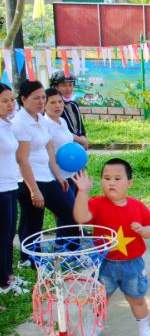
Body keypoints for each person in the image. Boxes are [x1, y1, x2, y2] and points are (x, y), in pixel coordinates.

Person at [71, 159, 150, 336]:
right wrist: (82, 193)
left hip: (132, 264)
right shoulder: (96, 204)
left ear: (129, 183)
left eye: (117, 178)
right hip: (105, 263)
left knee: (137, 299)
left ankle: (145, 329)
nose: (111, 182)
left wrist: (143, 230)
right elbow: (81, 217)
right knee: (100, 299)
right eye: (107, 178)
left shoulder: (138, 206)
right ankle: (95, 326)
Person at [13, 80, 76, 267]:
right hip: (29, 180)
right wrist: (34, 190)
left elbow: (49, 149)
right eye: (36, 98)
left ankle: (69, 251)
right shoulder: (20, 123)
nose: (41, 102)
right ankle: (29, 260)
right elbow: (23, 160)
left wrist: (58, 176)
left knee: (69, 211)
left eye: (42, 98)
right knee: (33, 222)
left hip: (47, 177)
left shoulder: (40, 119)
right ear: (23, 99)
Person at [0, 82, 25, 295]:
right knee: (2, 236)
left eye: (12, 100)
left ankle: (7, 275)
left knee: (9, 234)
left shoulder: (7, 123)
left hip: (11, 185)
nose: (10, 104)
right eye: (4, 101)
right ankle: (3, 282)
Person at [49, 71, 89, 148]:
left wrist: (83, 137)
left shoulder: (73, 105)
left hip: (77, 146)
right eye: (64, 85)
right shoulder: (54, 108)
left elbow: (81, 128)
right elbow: (60, 131)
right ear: (56, 87)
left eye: (70, 85)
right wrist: (80, 140)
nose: (68, 89)